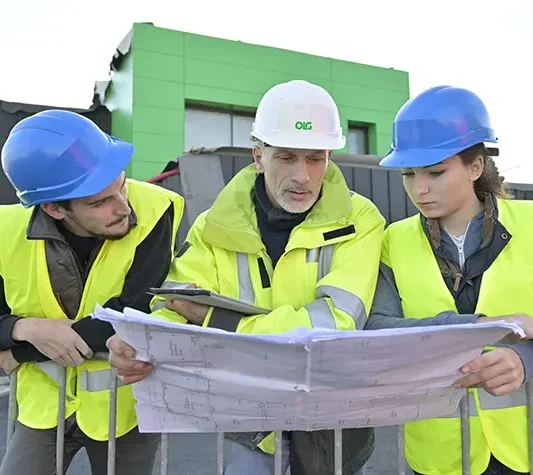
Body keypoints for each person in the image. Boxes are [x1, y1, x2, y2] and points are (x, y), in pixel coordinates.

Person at [107, 79, 386, 475]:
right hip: (249, 416)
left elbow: (337, 322)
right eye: (286, 157)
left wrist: (217, 321)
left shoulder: (362, 220)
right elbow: (174, 301)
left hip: (329, 414)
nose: (303, 176)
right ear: (258, 156)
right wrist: (143, 343)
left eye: (316, 158)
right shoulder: (212, 225)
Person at [0, 110, 185, 475]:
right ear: (53, 208)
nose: (124, 208)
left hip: (122, 409)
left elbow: (134, 312)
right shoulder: (5, 232)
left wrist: (16, 345)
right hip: (42, 405)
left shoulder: (154, 210)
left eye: (122, 184)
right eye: (100, 202)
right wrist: (24, 329)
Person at [365, 85, 533, 475]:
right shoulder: (393, 240)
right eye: (409, 174)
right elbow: (377, 328)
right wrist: (479, 327)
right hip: (438, 456)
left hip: (524, 447)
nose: (419, 189)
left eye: (436, 172)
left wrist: (526, 359)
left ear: (475, 166)